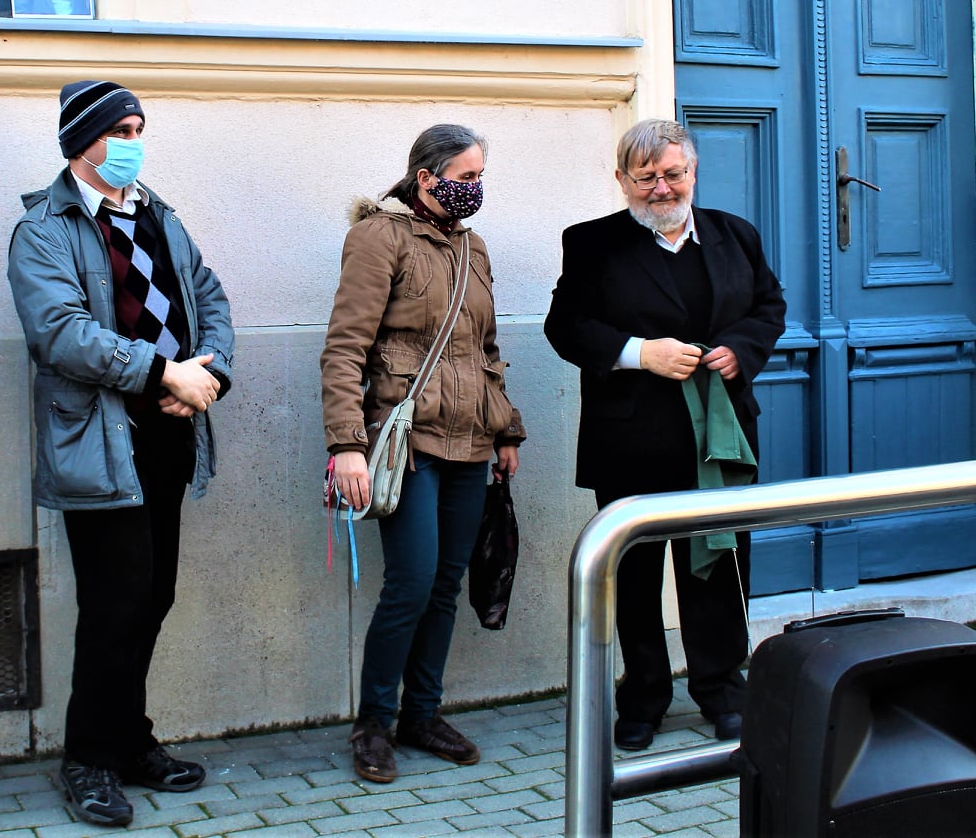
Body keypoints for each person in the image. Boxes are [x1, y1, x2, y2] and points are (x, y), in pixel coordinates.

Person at [5, 80, 233, 827]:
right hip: (101, 440)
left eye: (139, 127)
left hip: (168, 432)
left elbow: (209, 297)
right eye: (120, 129)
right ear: (81, 141)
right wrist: (163, 372)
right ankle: (89, 760)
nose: (134, 141)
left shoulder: (158, 215)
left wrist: (208, 374)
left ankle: (129, 740)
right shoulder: (45, 229)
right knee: (115, 603)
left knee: (152, 595)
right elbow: (61, 332)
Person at [544, 118, 785, 752]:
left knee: (719, 566)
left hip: (721, 437)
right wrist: (639, 353)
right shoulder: (591, 243)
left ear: (692, 172)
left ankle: (722, 690)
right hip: (631, 440)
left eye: (673, 174)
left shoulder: (736, 234)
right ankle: (644, 697)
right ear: (621, 180)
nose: (661, 188)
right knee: (636, 574)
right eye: (645, 177)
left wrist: (740, 349)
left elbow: (769, 306)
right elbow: (565, 326)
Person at [321, 124, 525, 785]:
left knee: (444, 585)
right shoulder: (379, 237)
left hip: (471, 441)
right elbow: (345, 348)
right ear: (426, 176)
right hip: (407, 443)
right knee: (409, 583)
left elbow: (486, 350)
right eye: (465, 176)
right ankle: (374, 723)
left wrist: (506, 430)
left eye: (480, 175)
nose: (475, 187)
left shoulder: (472, 247)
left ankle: (422, 714)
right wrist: (346, 445)